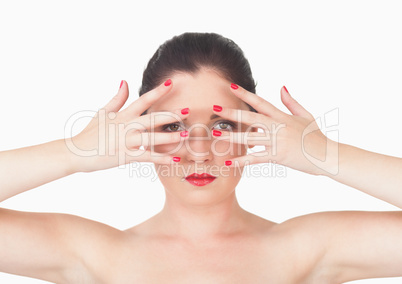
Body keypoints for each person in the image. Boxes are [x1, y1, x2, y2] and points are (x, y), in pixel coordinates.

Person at [0, 32, 401, 283]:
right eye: (172, 126)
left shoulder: (305, 248)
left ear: (253, 132)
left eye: (223, 125)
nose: (198, 149)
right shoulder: (99, 254)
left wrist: (324, 155)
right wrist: (74, 153)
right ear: (140, 134)